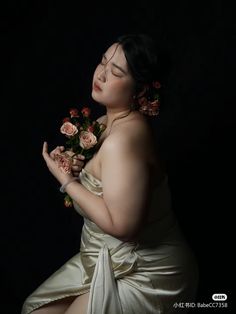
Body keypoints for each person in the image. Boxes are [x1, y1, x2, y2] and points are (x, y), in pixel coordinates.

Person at [21, 33, 198, 314]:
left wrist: (66, 181)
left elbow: (123, 227)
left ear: (140, 91)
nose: (101, 74)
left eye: (115, 72)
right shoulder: (107, 122)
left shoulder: (123, 141)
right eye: (102, 62)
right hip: (103, 256)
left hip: (143, 272)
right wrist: (74, 165)